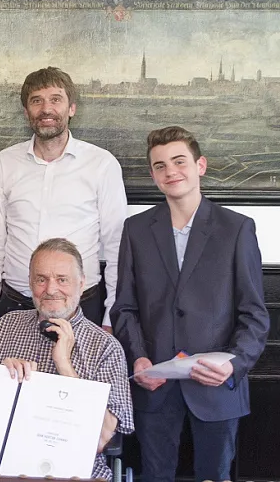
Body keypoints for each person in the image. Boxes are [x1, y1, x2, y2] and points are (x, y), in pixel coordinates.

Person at [111, 126, 269, 482]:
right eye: (160, 165)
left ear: (201, 165)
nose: (171, 172)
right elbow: (125, 308)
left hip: (216, 386)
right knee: (155, 476)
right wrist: (138, 359)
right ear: (153, 175)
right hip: (156, 386)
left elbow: (254, 315)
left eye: (179, 161)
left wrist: (234, 366)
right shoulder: (135, 230)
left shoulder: (237, 228)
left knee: (214, 475)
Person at [0, 67, 127, 343]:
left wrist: (110, 315)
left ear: (71, 108)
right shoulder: (5, 163)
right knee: (15, 383)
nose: (47, 109)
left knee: (77, 385)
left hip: (82, 307)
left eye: (55, 99)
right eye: (37, 100)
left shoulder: (101, 164)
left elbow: (117, 245)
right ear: (26, 111)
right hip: (15, 304)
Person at [0, 238, 133, 481]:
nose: (51, 289)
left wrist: (65, 366)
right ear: (30, 283)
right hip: (1, 466)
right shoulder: (8, 326)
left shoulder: (105, 347)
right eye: (41, 279)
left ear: (82, 284)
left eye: (62, 280)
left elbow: (101, 439)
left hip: (73, 472)